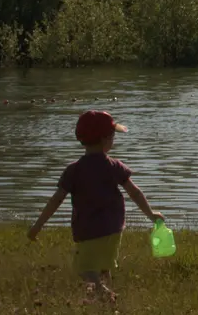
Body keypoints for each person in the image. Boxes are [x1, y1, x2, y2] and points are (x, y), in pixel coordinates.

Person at [27, 110, 163, 303]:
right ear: (106, 138)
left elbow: (56, 200)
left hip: (88, 229)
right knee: (103, 266)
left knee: (83, 269)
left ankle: (104, 294)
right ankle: (103, 302)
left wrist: (38, 226)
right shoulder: (114, 166)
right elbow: (135, 192)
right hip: (114, 228)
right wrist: (150, 213)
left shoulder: (73, 170)